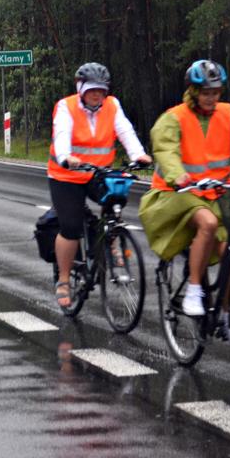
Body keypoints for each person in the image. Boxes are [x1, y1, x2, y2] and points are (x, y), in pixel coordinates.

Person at [139, 59, 230, 317]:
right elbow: (166, 149)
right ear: (193, 92)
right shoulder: (174, 118)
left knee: (229, 253)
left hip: (216, 195)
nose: (211, 98)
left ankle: (226, 316)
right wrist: (177, 175)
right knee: (208, 223)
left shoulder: (229, 114)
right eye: (206, 92)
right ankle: (194, 290)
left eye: (216, 92)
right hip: (177, 193)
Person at [47, 62, 152, 309]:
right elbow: (62, 134)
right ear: (81, 89)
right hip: (66, 175)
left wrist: (138, 154)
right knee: (71, 227)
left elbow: (125, 131)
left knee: (117, 195)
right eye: (92, 90)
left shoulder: (112, 105)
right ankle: (63, 280)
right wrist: (66, 157)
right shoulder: (66, 107)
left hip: (98, 173)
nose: (97, 94)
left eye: (101, 90)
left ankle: (112, 239)